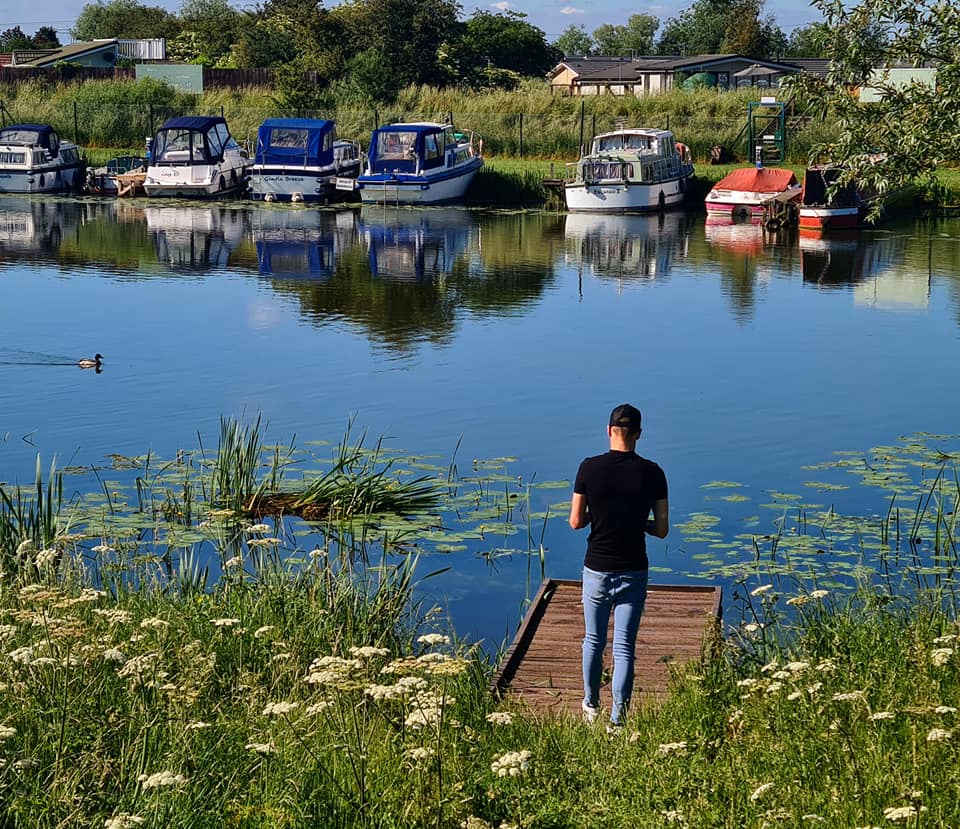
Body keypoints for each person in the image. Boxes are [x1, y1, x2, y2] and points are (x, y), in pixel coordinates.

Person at [569, 403, 669, 729]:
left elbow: (575, 522)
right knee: (624, 648)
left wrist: (596, 516)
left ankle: (590, 705)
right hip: (634, 569)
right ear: (638, 434)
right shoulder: (654, 473)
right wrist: (639, 523)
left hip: (597, 568)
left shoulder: (588, 468)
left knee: (593, 641)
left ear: (609, 430)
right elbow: (662, 529)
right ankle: (618, 722)